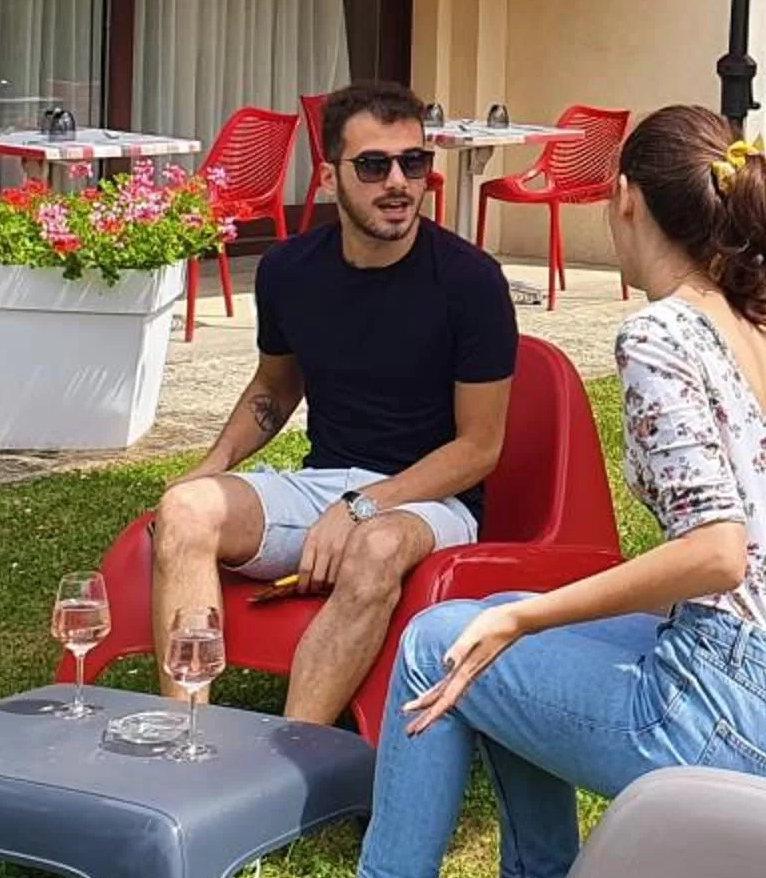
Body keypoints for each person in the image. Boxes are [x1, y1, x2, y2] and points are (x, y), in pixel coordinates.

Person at [272, 103, 766, 878]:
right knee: (499, 620)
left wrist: (526, 619)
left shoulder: (663, 334)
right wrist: (525, 616)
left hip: (729, 719)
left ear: (623, 201)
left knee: (441, 644)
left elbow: (717, 552)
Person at [149, 81, 516, 727]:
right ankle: (189, 738)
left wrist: (365, 508)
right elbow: (274, 387)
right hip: (328, 484)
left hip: (434, 504)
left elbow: (478, 449)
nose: (398, 182)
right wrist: (212, 466)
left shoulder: (471, 283)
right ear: (328, 176)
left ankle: (292, 758)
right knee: (185, 511)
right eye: (374, 166)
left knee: (374, 548)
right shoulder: (290, 271)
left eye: (413, 163)